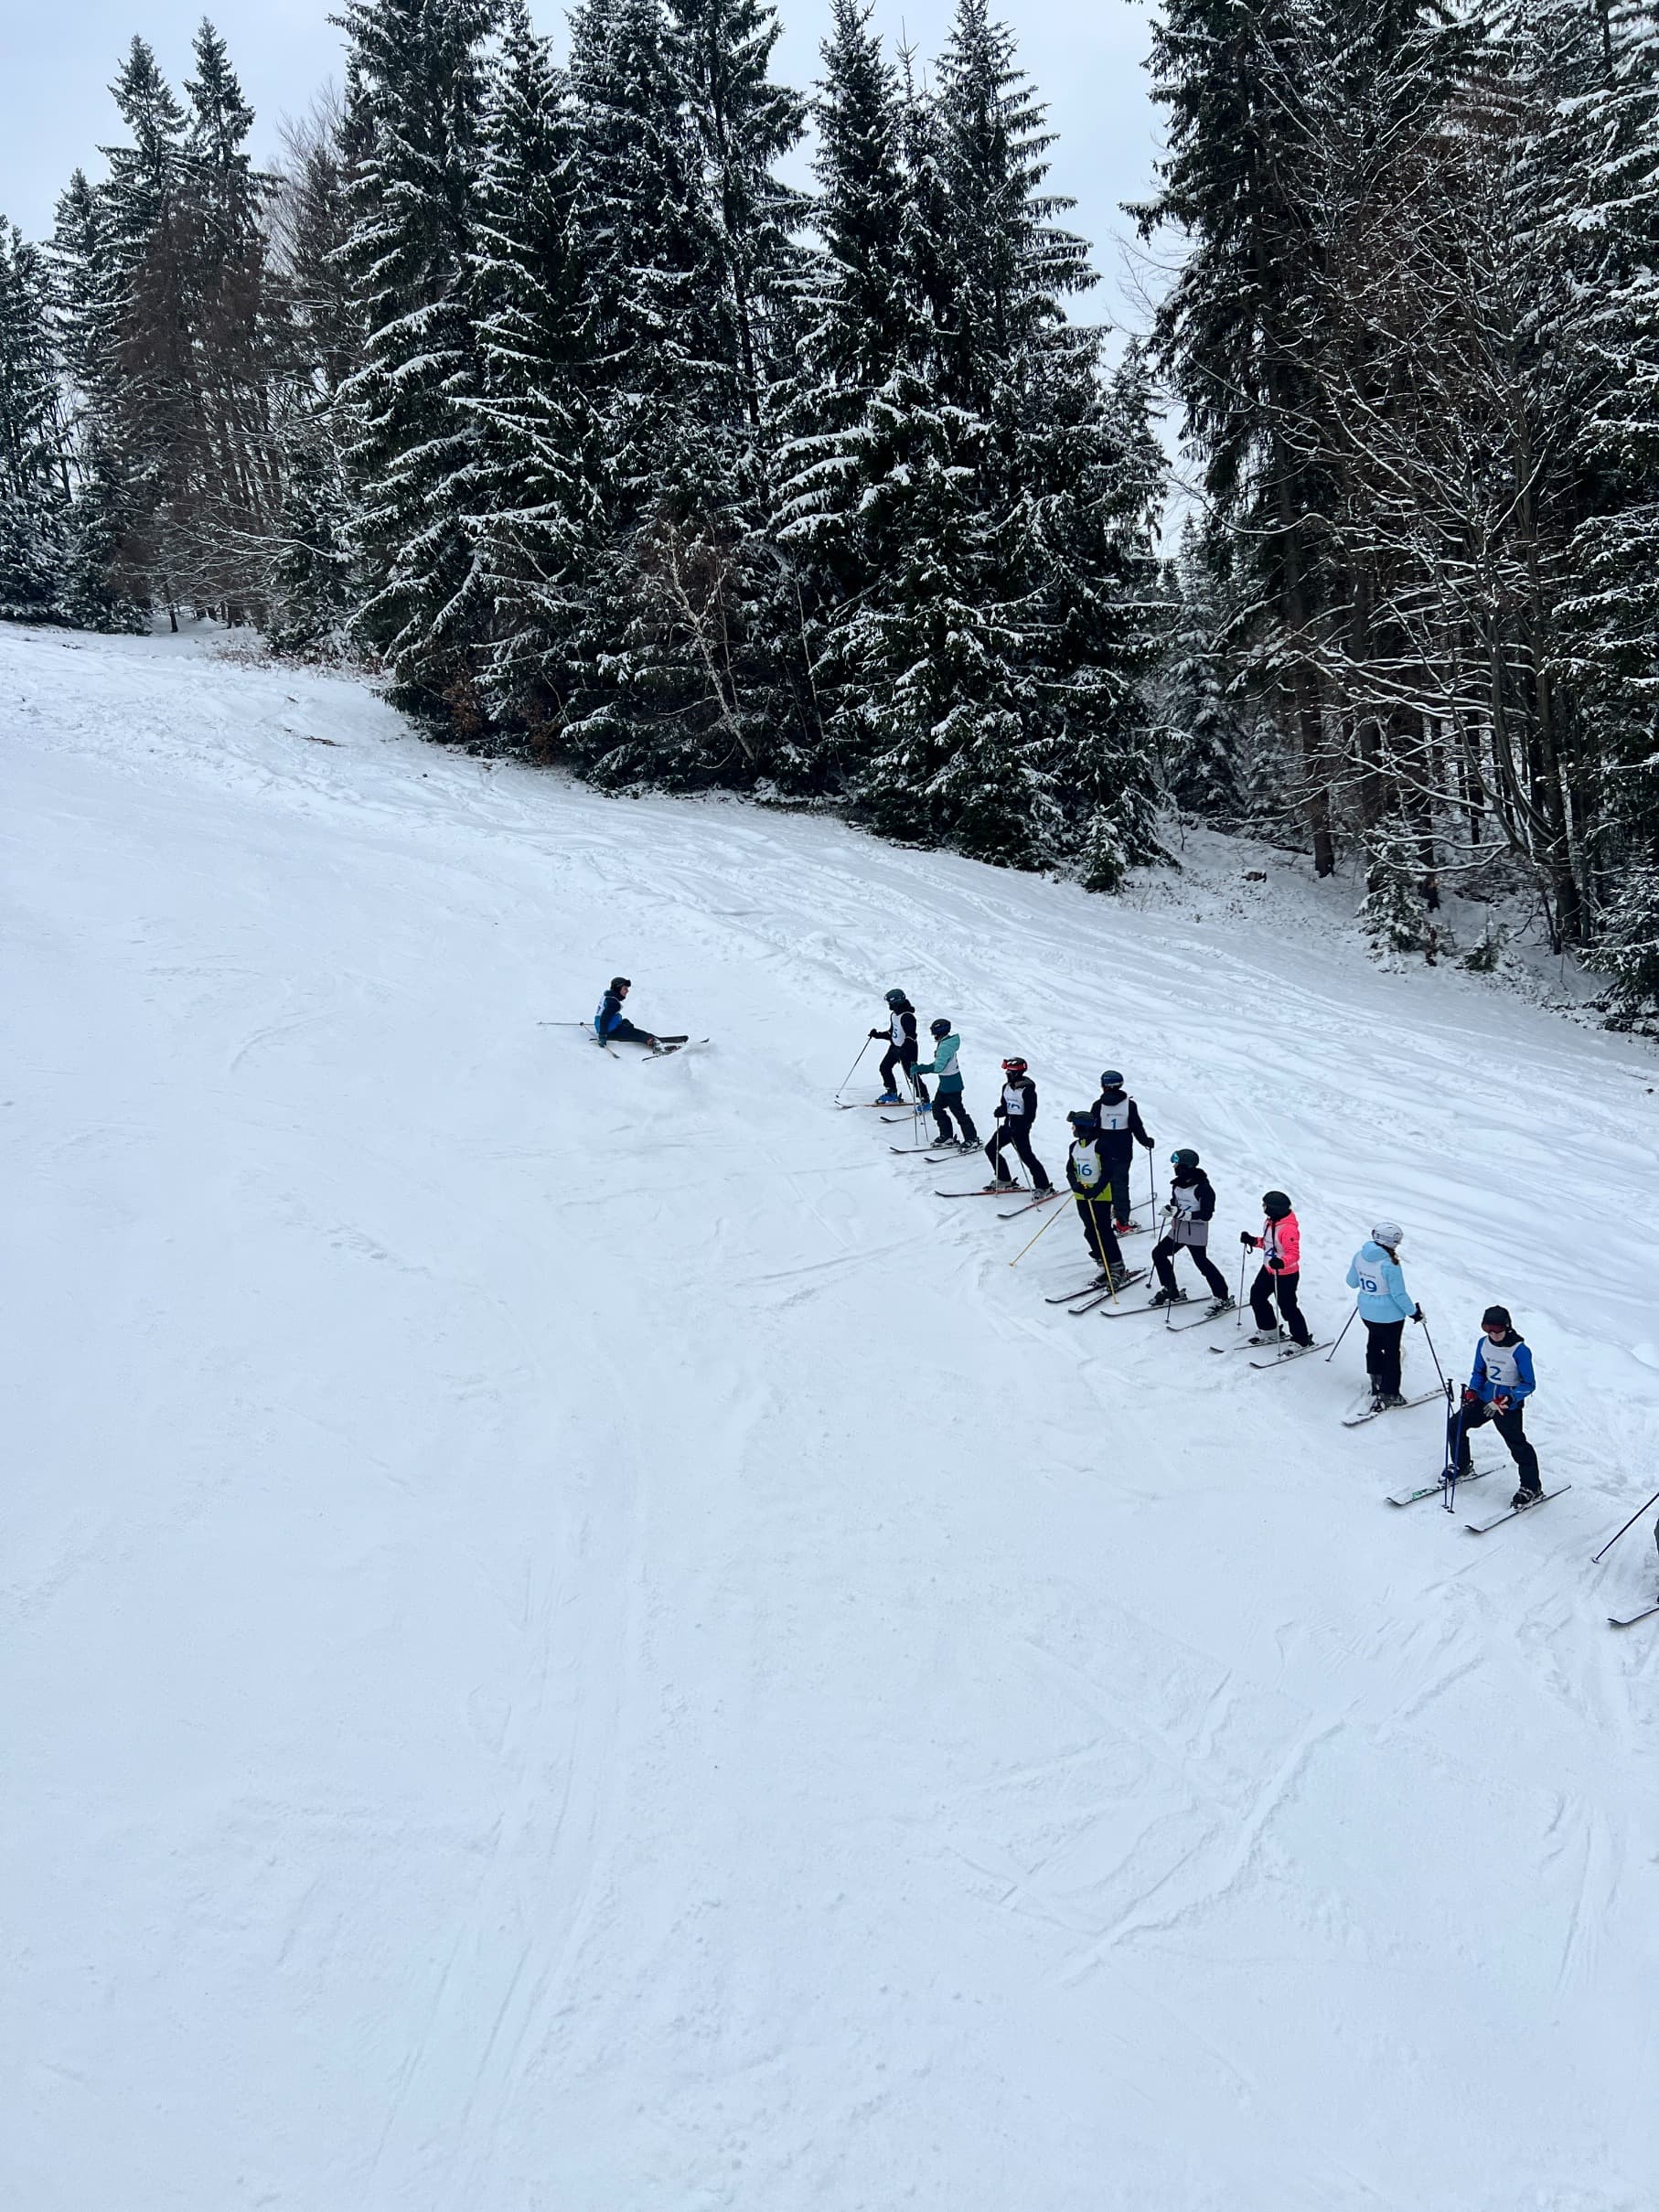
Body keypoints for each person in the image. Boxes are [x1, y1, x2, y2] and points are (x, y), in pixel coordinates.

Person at [1448, 1305, 1541, 1506]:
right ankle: (1462, 1465)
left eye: (1497, 1329)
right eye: (1487, 1329)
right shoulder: (1483, 1344)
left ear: (1507, 1327)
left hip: (1506, 1407)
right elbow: (1479, 1372)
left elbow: (1529, 1384)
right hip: (1484, 1399)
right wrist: (1473, 1390)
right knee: (1455, 1424)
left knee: (1517, 1444)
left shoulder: (1520, 1351)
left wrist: (1510, 1398)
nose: (1493, 1334)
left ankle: (1531, 1487)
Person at [1346, 1224, 1422, 1409]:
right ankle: (1390, 1393)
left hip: (1367, 1312)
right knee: (1391, 1352)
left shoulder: (1359, 1255)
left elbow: (1351, 1282)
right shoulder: (1390, 1264)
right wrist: (1414, 1313)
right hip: (1390, 1316)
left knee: (1374, 1342)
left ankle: (1376, 1378)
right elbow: (1399, 1294)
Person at [1151, 1149, 1231, 1309]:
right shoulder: (1178, 1184)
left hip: (1195, 1232)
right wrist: (1170, 1209)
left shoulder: (1203, 1188)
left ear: (1184, 1167)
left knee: (1202, 1263)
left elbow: (1206, 1215)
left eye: (1177, 1164)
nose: (1174, 1167)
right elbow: (1176, 1202)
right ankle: (1170, 1289)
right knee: (1159, 1253)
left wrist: (1183, 1214)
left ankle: (1223, 1297)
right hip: (1178, 1229)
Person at [1065, 1110, 1132, 1286]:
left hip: (1101, 1196)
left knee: (1104, 1231)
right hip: (1081, 1196)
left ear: (1082, 1128)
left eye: (1074, 1126)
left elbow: (1108, 1172)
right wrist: (1075, 1185)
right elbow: (1070, 1170)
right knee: (1090, 1231)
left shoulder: (1101, 1146)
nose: (1072, 1129)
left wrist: (1095, 1190)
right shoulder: (1074, 1147)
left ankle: (1117, 1267)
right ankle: (1103, 1264)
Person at [1240, 1191, 1311, 1348]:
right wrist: (1253, 1241)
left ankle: (1302, 1340)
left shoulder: (1288, 1229)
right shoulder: (1270, 1222)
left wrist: (1281, 1262)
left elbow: (1294, 1254)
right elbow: (1269, 1244)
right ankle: (1270, 1330)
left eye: (1265, 1205)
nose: (1263, 1207)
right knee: (1257, 1297)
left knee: (1287, 1307)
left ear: (1274, 1208)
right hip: (1268, 1269)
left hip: (1285, 1274)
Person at [1090, 1070, 1156, 1232]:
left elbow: (1092, 1129)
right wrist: (1146, 1141)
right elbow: (1136, 1127)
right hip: (1123, 1152)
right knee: (1120, 1184)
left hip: (1103, 1152)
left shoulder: (1098, 1105)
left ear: (1104, 1086)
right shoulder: (1129, 1105)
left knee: (1104, 1181)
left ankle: (1105, 1211)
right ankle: (1122, 1222)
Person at [984, 1057, 1053, 1190]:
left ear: (1016, 1073)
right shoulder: (1006, 1087)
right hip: (1007, 1127)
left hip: (1020, 1131)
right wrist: (1001, 1111)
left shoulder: (1027, 1091)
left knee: (1027, 1158)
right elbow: (1005, 1105)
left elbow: (1030, 1115)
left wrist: (1019, 1128)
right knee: (990, 1149)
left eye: (1009, 1072)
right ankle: (1004, 1179)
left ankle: (1044, 1186)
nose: (1007, 1074)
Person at [915, 1018, 978, 1149]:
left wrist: (921, 1068)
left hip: (952, 1086)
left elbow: (938, 1067)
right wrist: (922, 1069)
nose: (933, 1036)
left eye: (934, 1033)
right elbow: (940, 1064)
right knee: (937, 1109)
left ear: (939, 1032)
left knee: (959, 1113)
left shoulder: (945, 1047)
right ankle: (947, 1136)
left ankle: (972, 1139)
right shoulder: (945, 1043)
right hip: (945, 1085)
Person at [870, 989, 926, 1106]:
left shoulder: (907, 1017)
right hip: (895, 1048)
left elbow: (911, 1036)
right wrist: (877, 1035)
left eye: (890, 1002)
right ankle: (892, 1093)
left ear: (897, 1002)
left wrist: (904, 1049)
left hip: (908, 1051)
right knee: (884, 1067)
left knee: (912, 1075)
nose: (889, 1005)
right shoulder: (894, 1015)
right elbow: (892, 1033)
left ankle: (925, 1099)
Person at [594, 976, 659, 1050]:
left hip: (600, 1025)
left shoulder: (608, 996)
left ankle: (646, 1037)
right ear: (618, 989)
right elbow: (604, 1018)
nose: (627, 991)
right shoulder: (613, 1003)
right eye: (625, 988)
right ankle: (652, 1041)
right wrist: (602, 1035)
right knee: (635, 1033)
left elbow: (604, 1014)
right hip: (608, 1031)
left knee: (625, 1022)